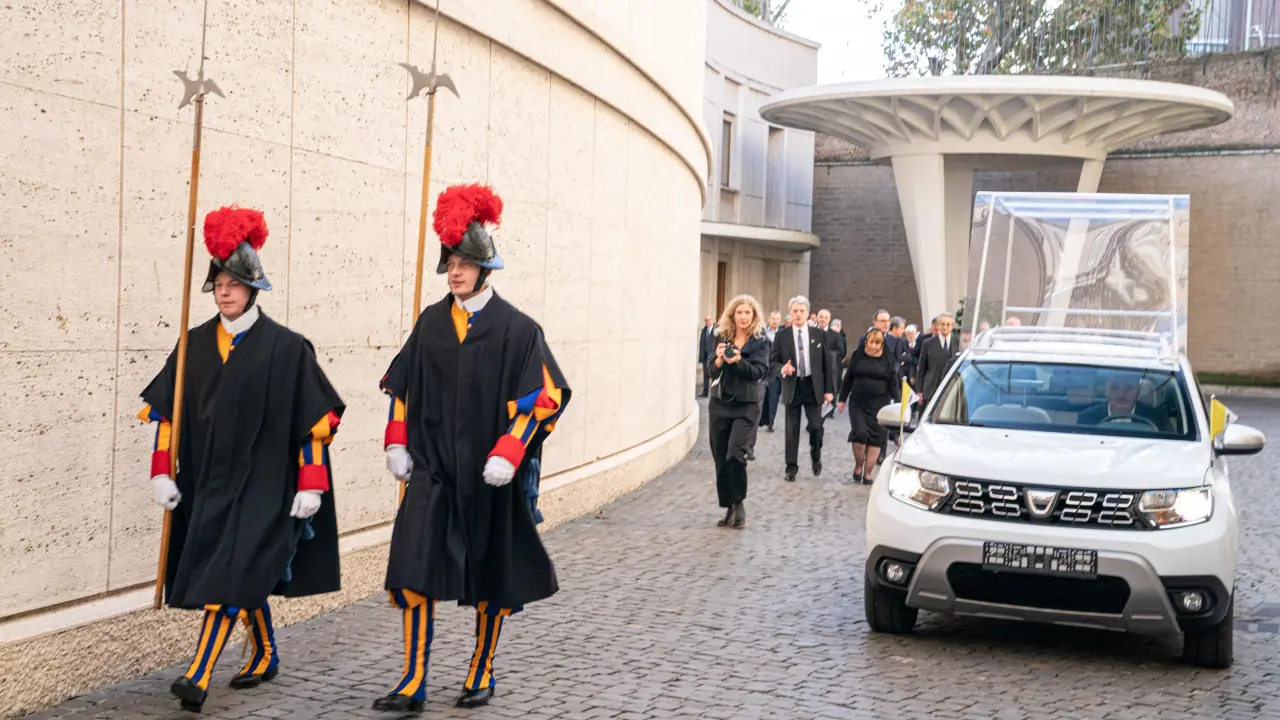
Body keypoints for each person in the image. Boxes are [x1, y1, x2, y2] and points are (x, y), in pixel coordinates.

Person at [139, 206, 345, 713]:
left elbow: (313, 421)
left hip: (266, 484)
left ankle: (198, 674)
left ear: (254, 287)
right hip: (209, 482)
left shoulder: (288, 349)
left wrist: (311, 483)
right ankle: (266, 650)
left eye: (234, 283)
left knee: (230, 572)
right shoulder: (193, 345)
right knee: (234, 567)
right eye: (218, 284)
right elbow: (167, 415)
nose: (225, 292)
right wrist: (162, 471)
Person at [375, 184, 570, 713]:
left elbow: (543, 396)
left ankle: (481, 667)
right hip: (433, 473)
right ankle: (412, 680)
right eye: (451, 263)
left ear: (485, 268)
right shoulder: (430, 323)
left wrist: (510, 450)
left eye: (464, 263)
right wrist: (397, 441)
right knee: (412, 571)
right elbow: (402, 385)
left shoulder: (519, 330)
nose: (455, 272)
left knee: (490, 577)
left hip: (490, 477)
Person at [708, 295, 770, 528]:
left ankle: (739, 502)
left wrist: (738, 361)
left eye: (747, 313)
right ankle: (729, 506)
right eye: (739, 312)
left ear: (754, 316)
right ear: (732, 315)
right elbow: (711, 371)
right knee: (720, 457)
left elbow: (759, 372)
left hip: (746, 405)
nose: (743, 317)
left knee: (735, 453)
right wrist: (718, 360)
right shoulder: (722, 337)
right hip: (720, 404)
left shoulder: (760, 342)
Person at [770, 296, 837, 483]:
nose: (798, 314)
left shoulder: (819, 335)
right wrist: (783, 368)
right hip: (792, 385)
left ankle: (816, 454)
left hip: (813, 386)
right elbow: (772, 362)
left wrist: (829, 390)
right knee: (792, 429)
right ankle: (791, 467)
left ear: (808, 313)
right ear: (790, 313)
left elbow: (827, 365)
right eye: (795, 311)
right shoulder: (782, 336)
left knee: (816, 426)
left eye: (802, 311)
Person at [838, 328, 898, 484]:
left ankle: (868, 473)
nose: (873, 346)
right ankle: (859, 465)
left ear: (882, 344)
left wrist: (899, 404)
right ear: (866, 342)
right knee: (860, 433)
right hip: (858, 403)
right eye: (871, 342)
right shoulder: (858, 355)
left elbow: (893, 383)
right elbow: (848, 378)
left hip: (880, 404)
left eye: (877, 343)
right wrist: (842, 399)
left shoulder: (887, 358)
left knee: (876, 438)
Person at [1077, 373, 1166, 429]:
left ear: (1138, 392)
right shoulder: (1087, 418)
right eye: (1114, 388)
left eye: (1128, 388)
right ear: (1106, 391)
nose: (1121, 394)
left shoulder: (1157, 419)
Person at [916, 312, 961, 412]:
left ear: (952, 326)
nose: (945, 327)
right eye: (942, 324)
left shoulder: (958, 343)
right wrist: (919, 391)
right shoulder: (927, 343)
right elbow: (921, 368)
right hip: (931, 389)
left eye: (948, 324)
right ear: (938, 325)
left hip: (951, 389)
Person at [697, 316, 717, 397]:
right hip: (705, 356)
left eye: (709, 320)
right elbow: (701, 344)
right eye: (706, 320)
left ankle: (714, 393)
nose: (707, 322)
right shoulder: (704, 330)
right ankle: (705, 392)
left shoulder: (716, 330)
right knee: (705, 374)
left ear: (712, 321)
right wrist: (701, 356)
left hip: (713, 356)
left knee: (713, 374)